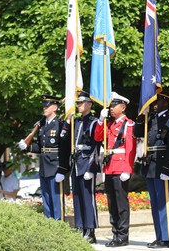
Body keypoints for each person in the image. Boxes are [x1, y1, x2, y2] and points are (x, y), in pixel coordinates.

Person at [134, 91, 169, 248]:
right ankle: (159, 236)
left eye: (157, 101)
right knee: (154, 202)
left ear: (165, 102)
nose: (153, 104)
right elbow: (136, 133)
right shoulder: (149, 119)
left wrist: (168, 168)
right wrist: (141, 116)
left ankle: (167, 238)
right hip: (150, 165)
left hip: (162, 165)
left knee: (163, 202)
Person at [55, 91, 101, 244]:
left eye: (82, 103)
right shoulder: (76, 122)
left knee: (88, 198)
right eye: (78, 103)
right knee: (77, 197)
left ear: (89, 104)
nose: (79, 105)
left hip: (87, 162)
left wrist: (91, 168)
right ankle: (80, 227)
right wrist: (66, 122)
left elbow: (96, 146)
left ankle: (90, 230)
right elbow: (63, 138)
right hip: (76, 163)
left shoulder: (94, 122)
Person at [94, 92, 136, 248]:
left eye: (114, 105)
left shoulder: (128, 124)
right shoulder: (109, 124)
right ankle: (115, 233)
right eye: (111, 105)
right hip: (109, 167)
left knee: (121, 203)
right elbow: (98, 138)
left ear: (123, 107)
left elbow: (130, 149)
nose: (111, 108)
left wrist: (128, 169)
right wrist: (100, 120)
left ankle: (123, 235)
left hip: (121, 168)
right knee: (112, 203)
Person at [18, 94, 63, 220]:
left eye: (47, 106)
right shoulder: (42, 125)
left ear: (54, 107)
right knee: (46, 197)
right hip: (44, 165)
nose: (44, 108)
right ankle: (48, 222)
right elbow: (40, 147)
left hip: (55, 165)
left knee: (55, 197)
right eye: (43, 106)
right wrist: (27, 147)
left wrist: (63, 168)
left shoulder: (59, 124)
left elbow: (64, 148)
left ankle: (57, 224)